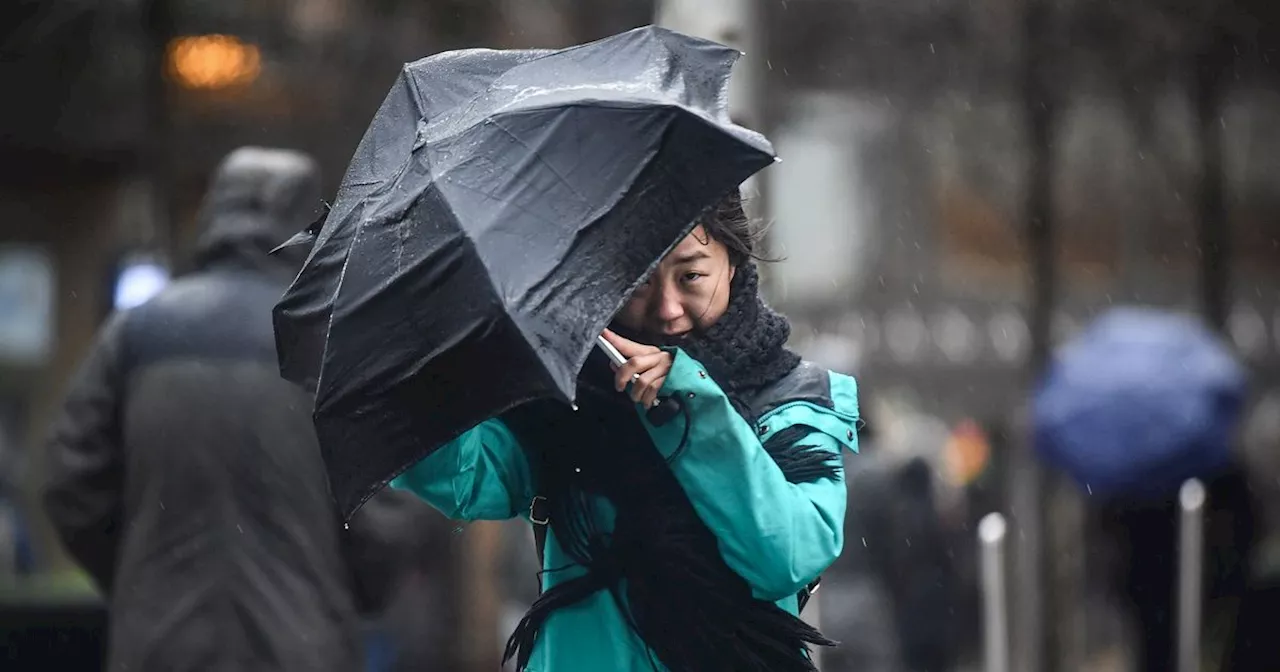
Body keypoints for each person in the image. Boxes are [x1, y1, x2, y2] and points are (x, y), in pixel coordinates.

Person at [393, 192, 861, 672]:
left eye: (691, 277)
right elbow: (467, 475)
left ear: (734, 265)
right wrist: (411, 365)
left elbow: (784, 556)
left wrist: (690, 409)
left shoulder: (792, 398)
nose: (668, 308)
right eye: (639, 282)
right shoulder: (567, 401)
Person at [43, 147, 434, 672]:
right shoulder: (331, 343)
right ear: (311, 226)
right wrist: (340, 592)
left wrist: (144, 574)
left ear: (214, 215)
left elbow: (70, 478)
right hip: (303, 648)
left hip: (160, 646)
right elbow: (389, 511)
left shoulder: (137, 334)